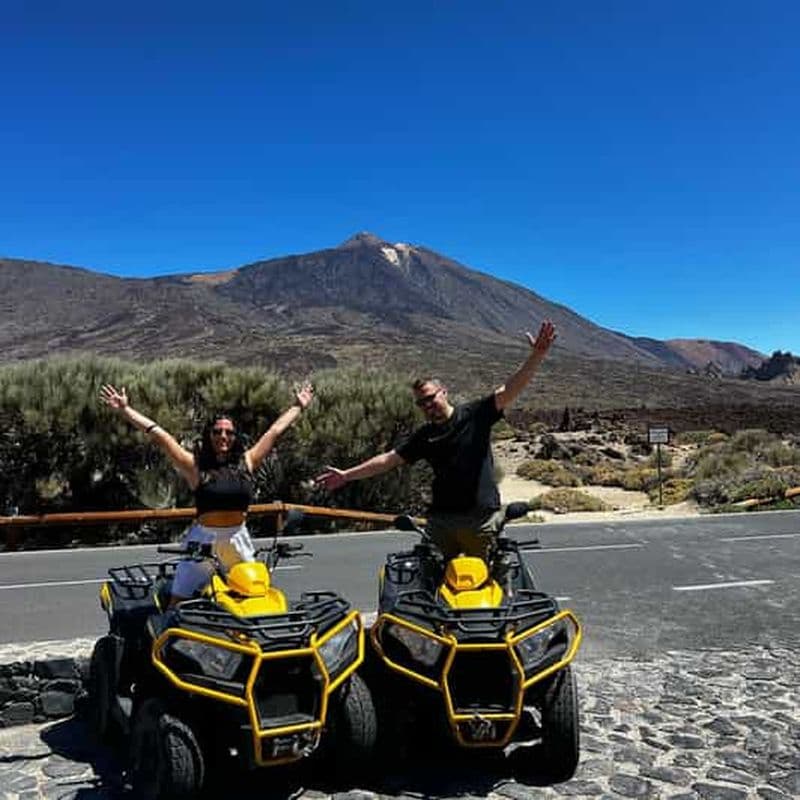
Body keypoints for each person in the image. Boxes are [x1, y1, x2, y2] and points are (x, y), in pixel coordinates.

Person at [315, 320, 557, 561]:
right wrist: (346, 475)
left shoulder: (475, 415)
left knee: (490, 584)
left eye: (431, 398)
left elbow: (510, 390)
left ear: (444, 392)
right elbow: (388, 460)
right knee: (431, 583)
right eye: (421, 403)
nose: (428, 406)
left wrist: (536, 356)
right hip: (442, 522)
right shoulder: (424, 436)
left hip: (481, 519)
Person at [99, 382, 314, 602]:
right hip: (203, 543)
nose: (223, 436)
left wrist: (298, 406)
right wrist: (125, 410)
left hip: (237, 540)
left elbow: (275, 431)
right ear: (208, 435)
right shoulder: (195, 467)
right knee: (179, 601)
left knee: (255, 596)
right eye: (217, 431)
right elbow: (160, 436)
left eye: (229, 432)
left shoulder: (247, 461)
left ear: (235, 436)